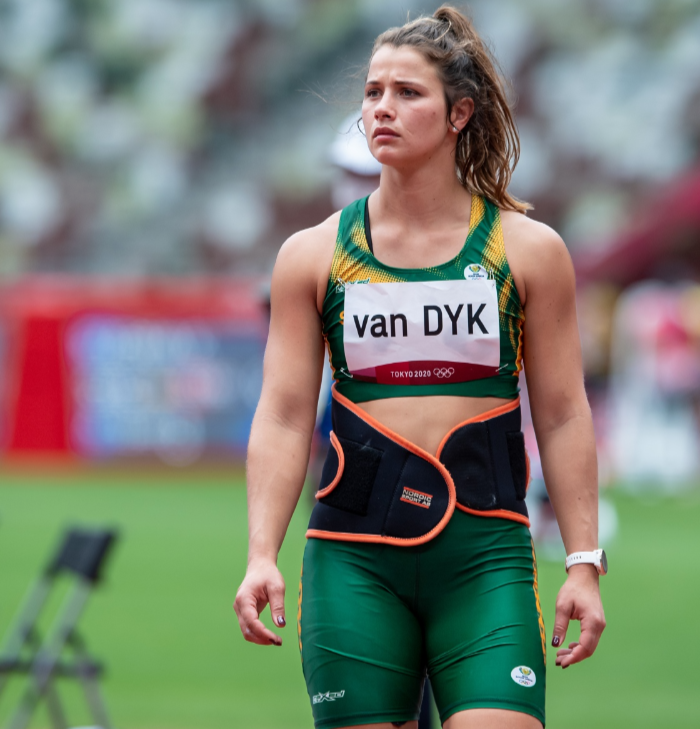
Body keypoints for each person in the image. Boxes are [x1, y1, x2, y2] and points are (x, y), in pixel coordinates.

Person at [234, 6, 606, 729]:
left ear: (459, 113)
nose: (383, 108)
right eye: (373, 92)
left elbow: (563, 413)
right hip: (353, 562)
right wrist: (260, 553)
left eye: (408, 93)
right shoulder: (311, 256)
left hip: (485, 559)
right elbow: (281, 414)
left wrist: (584, 561)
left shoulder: (528, 252)